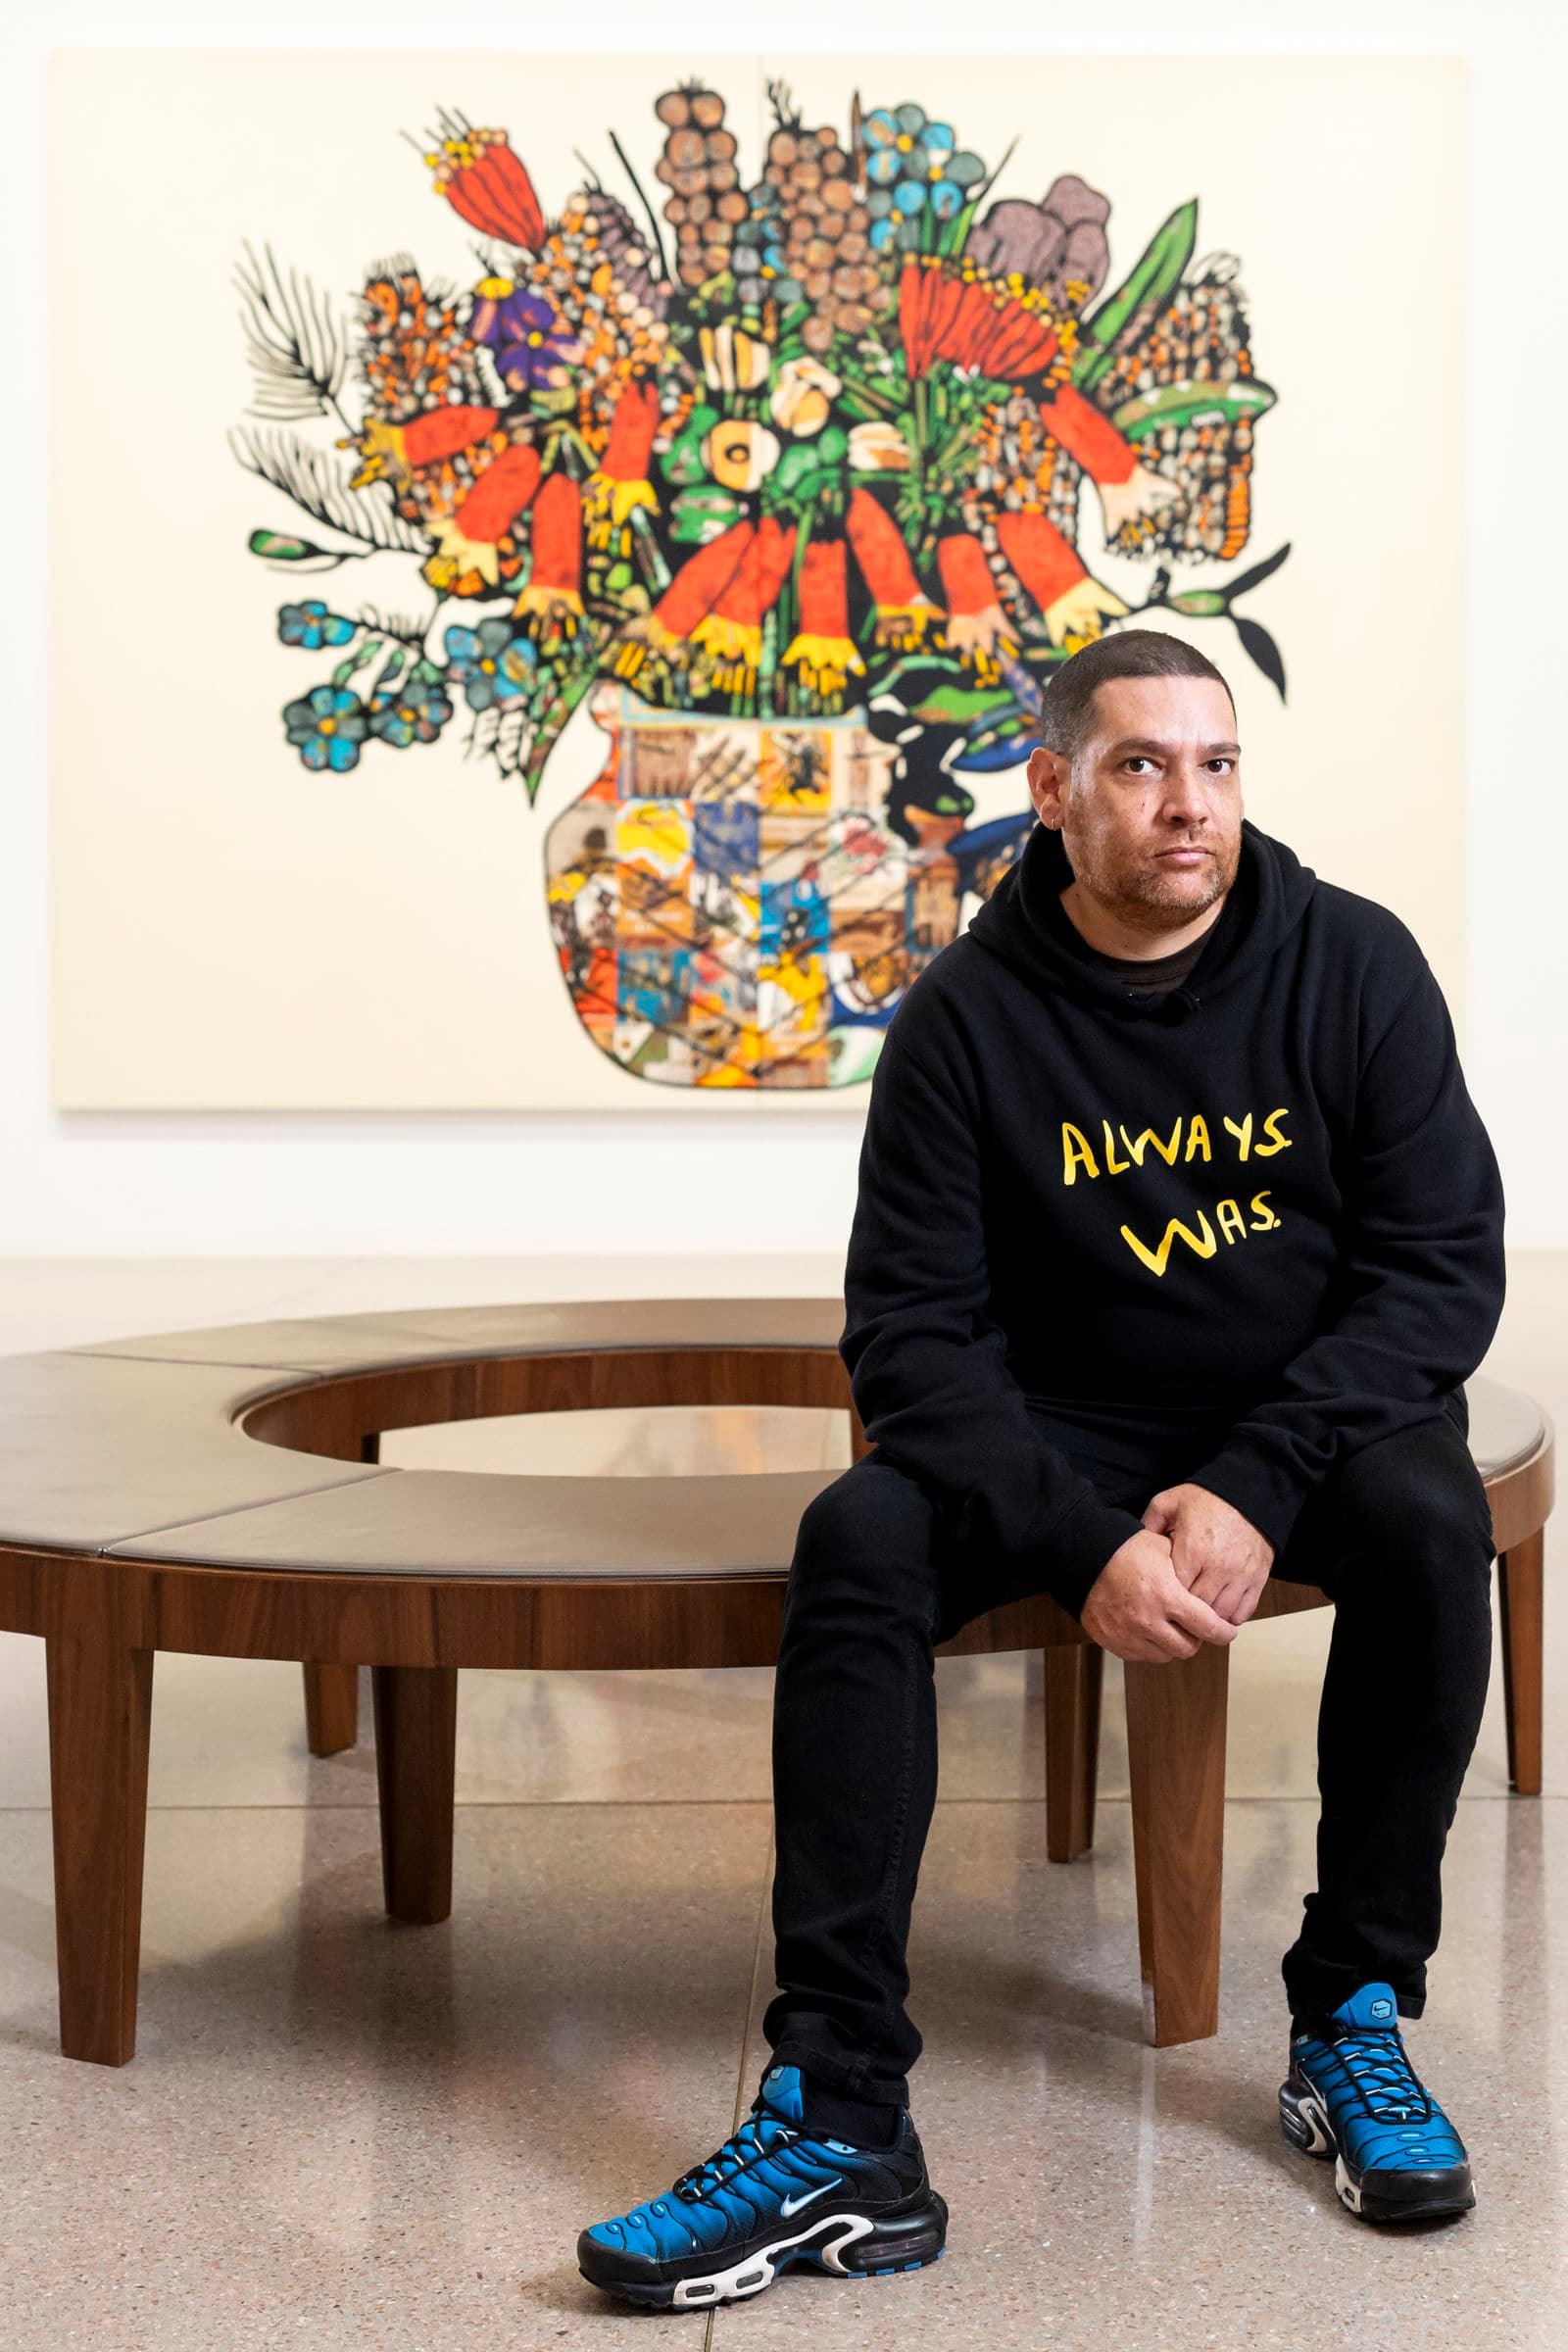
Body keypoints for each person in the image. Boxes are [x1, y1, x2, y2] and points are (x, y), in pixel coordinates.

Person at [576, 631, 1506, 2311]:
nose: (1188, 806)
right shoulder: (962, 1022)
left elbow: (1440, 1271)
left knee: (1436, 1520)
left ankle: (1353, 2015)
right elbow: (913, 1340)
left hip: (1298, 1417)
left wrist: (1257, 1480)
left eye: (1216, 766)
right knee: (857, 1533)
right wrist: (1080, 1543)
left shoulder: (1355, 967)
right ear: (1055, 789)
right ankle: (840, 2115)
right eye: (1143, 766)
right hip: (1057, 1425)